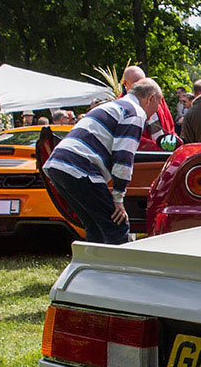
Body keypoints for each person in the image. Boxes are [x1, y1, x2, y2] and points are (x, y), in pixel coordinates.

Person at [42, 78, 164, 245]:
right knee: (117, 225)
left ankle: (94, 268)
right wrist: (118, 198)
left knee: (95, 227)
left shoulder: (112, 106)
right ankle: (116, 270)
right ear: (151, 98)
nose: (157, 110)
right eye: (158, 103)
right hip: (80, 168)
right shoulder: (135, 113)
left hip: (58, 166)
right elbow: (123, 156)